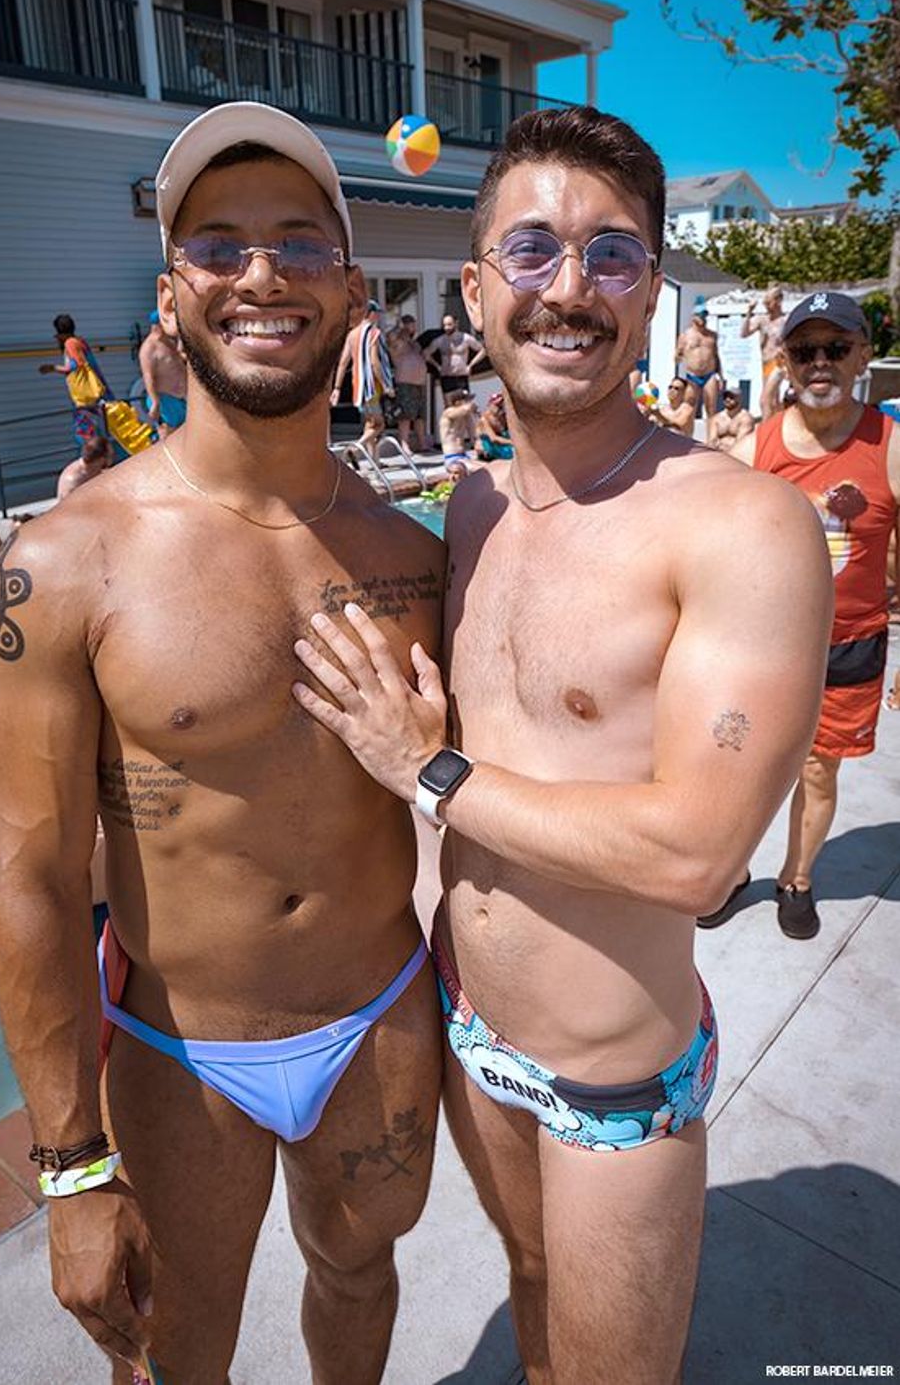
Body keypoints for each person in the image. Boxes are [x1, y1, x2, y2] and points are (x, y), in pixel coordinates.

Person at [291, 104, 832, 1385]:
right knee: (532, 1301)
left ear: (650, 295)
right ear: (474, 290)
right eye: (529, 252)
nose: (567, 288)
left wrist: (425, 769)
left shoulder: (738, 526)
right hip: (465, 1019)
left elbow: (697, 857)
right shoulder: (468, 503)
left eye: (611, 256)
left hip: (611, 1086)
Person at [0, 100, 444, 1385]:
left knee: (359, 1274)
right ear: (171, 295)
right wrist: (72, 1168)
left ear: (350, 289)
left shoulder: (416, 554)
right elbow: (30, 881)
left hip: (381, 1016)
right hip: (182, 1052)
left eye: (298, 241)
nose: (261, 274)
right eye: (217, 245)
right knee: (177, 1352)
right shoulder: (60, 565)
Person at [706, 292, 899, 940]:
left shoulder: (890, 444)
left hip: (849, 646)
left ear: (862, 355)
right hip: (762, 647)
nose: (821, 363)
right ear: (784, 362)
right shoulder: (754, 449)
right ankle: (730, 871)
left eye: (836, 348)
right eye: (805, 350)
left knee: (818, 768)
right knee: (741, 763)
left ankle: (797, 878)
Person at [331, 299, 394, 460]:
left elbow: (343, 363)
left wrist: (337, 388)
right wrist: (386, 385)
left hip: (357, 387)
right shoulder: (374, 333)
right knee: (379, 425)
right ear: (371, 314)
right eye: (377, 313)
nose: (378, 317)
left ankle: (376, 461)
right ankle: (356, 447)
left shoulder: (352, 334)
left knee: (370, 424)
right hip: (372, 387)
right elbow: (374, 362)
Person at [39, 314, 112, 449]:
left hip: (86, 398)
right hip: (97, 394)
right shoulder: (80, 341)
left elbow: (75, 366)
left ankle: (96, 461)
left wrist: (52, 368)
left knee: (85, 433)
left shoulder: (70, 343)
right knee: (102, 430)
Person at [139, 309, 188, 437]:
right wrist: (155, 402)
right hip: (166, 399)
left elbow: (181, 359)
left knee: (186, 434)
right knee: (170, 434)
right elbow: (148, 376)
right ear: (159, 324)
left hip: (182, 397)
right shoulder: (148, 349)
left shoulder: (169, 343)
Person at [385, 314, 428, 452]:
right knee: (405, 416)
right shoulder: (397, 343)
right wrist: (400, 327)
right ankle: (405, 445)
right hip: (405, 383)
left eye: (413, 324)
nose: (412, 328)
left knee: (420, 416)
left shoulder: (414, 344)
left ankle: (422, 443)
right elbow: (390, 337)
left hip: (419, 384)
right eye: (409, 324)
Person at [742, 286, 786, 420]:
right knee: (773, 400)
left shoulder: (785, 321)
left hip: (778, 362)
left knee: (765, 400)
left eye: (769, 302)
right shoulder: (763, 320)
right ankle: (777, 424)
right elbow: (744, 333)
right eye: (765, 303)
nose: (767, 306)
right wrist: (749, 312)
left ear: (778, 301)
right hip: (766, 363)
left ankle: (766, 428)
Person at [675, 304, 721, 430]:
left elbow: (716, 356)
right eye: (700, 315)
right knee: (689, 408)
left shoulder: (712, 336)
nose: (703, 318)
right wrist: (679, 354)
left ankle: (711, 439)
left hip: (709, 374)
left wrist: (720, 376)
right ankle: (688, 438)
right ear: (694, 317)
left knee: (711, 407)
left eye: (705, 315)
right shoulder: (685, 335)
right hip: (692, 375)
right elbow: (677, 356)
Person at [424, 313, 487, 403]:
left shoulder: (466, 338)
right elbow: (426, 353)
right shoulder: (440, 340)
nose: (446, 328)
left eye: (449, 324)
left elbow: (483, 350)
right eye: (444, 325)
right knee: (449, 405)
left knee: (464, 405)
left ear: (456, 323)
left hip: (461, 375)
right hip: (447, 376)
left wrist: (471, 365)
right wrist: (437, 366)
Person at [57, 436, 116, 500]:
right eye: (111, 455)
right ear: (101, 460)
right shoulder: (74, 480)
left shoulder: (95, 470)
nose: (112, 459)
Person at [438, 388, 479, 468]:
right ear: (457, 402)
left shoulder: (465, 415)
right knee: (479, 470)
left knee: (489, 467)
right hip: (452, 457)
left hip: (464, 455)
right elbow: (464, 410)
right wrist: (470, 408)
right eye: (466, 400)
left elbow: (473, 431)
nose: (469, 402)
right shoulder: (448, 412)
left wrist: (476, 443)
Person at [708, 385, 754, 453]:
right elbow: (711, 441)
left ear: (739, 399)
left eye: (731, 397)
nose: (727, 399)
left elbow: (741, 443)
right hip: (719, 454)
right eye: (725, 397)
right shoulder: (717, 418)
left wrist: (725, 448)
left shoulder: (745, 418)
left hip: (738, 455)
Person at [476, 390, 513, 460]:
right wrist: (513, 442)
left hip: (503, 447)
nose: (500, 407)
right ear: (490, 405)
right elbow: (493, 439)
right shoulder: (484, 419)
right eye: (497, 405)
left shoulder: (504, 416)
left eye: (501, 404)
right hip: (490, 449)